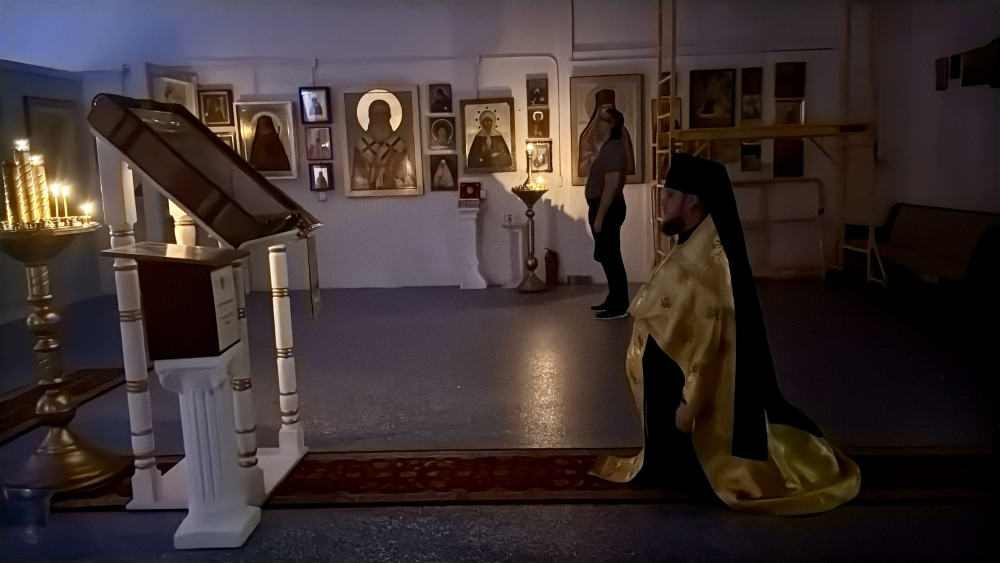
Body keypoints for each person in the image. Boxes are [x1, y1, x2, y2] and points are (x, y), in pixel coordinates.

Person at [590, 153, 861, 515]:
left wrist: (689, 405)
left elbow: (709, 342)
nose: (661, 203)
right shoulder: (693, 241)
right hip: (674, 407)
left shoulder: (711, 262)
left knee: (697, 473)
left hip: (698, 418)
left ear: (692, 200)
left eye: (669, 195)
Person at [586, 108, 632, 320]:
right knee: (607, 257)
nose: (597, 123)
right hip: (604, 208)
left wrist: (600, 217)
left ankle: (619, 305)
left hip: (609, 209)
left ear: (613, 125)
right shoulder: (606, 147)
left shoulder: (613, 148)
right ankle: (613, 298)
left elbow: (611, 187)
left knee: (612, 258)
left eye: (603, 119)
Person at [351, 99, 415, 190]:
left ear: (389, 116)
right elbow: (357, 180)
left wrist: (392, 178)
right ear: (369, 116)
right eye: (375, 115)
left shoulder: (399, 145)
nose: (379, 118)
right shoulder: (361, 145)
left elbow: (407, 179)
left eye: (383, 114)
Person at [577, 89, 635, 180]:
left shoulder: (623, 132)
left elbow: (629, 165)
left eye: (610, 108)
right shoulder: (587, 136)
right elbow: (583, 168)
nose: (608, 111)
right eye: (604, 108)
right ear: (598, 111)